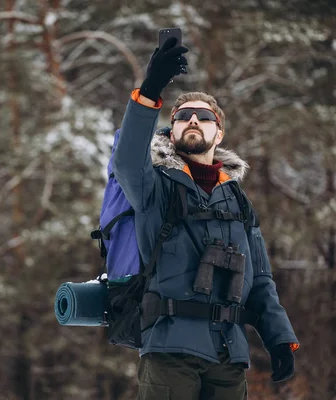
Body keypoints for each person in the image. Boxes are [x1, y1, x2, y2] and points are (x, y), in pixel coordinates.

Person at [112, 37, 300, 400]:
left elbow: (260, 279)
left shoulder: (238, 200)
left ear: (220, 132)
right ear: (173, 130)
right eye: (183, 116)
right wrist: (150, 92)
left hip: (228, 355)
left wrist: (279, 338)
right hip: (169, 350)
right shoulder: (155, 186)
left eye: (204, 116)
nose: (193, 120)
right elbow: (127, 161)